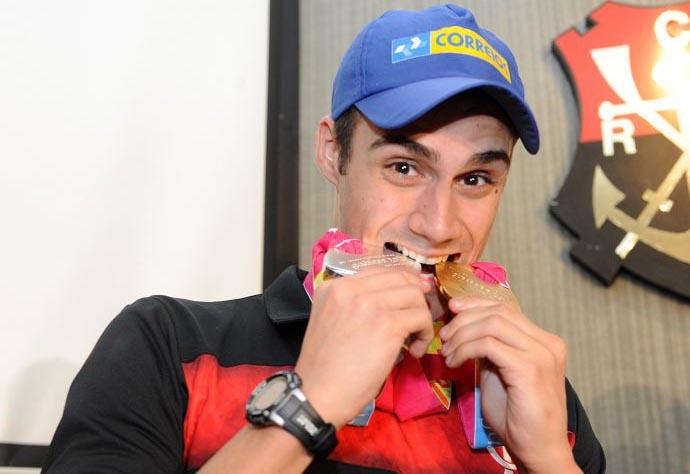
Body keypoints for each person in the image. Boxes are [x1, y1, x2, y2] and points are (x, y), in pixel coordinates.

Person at [43, 4, 605, 473]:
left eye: (476, 179)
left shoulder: (534, 391)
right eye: (404, 168)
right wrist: (310, 402)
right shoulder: (169, 345)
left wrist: (550, 458)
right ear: (333, 154)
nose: (439, 225)